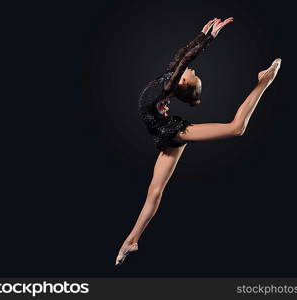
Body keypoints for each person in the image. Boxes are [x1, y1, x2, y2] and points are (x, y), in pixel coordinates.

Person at [115, 17, 281, 265]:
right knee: (155, 192)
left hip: (170, 130)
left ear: (181, 82)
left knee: (237, 128)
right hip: (164, 131)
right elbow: (182, 56)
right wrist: (203, 36)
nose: (193, 71)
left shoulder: (170, 83)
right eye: (194, 75)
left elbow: (186, 61)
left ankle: (263, 82)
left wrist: (209, 39)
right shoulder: (169, 78)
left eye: (193, 76)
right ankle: (132, 240)